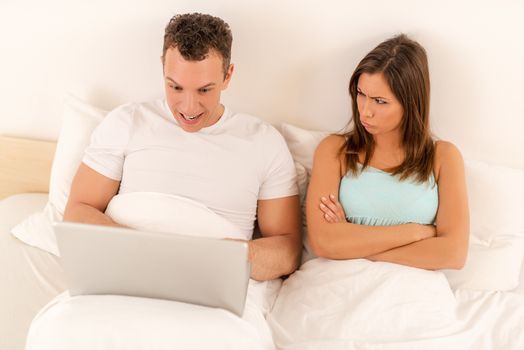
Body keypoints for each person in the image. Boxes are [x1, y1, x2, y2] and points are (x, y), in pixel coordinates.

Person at [26, 13, 300, 350]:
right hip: (122, 281)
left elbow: (286, 249)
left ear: (228, 75)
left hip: (209, 293)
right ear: (163, 70)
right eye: (175, 87)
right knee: (57, 332)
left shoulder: (263, 143)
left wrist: (220, 258)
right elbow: (79, 211)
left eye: (204, 90)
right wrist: (145, 252)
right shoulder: (128, 122)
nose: (188, 106)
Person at [307, 34, 469, 269]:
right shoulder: (335, 151)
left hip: (414, 290)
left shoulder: (444, 157)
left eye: (380, 101)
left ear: (411, 103)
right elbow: (324, 243)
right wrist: (416, 232)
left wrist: (352, 243)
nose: (365, 111)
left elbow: (452, 254)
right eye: (361, 94)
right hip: (344, 281)